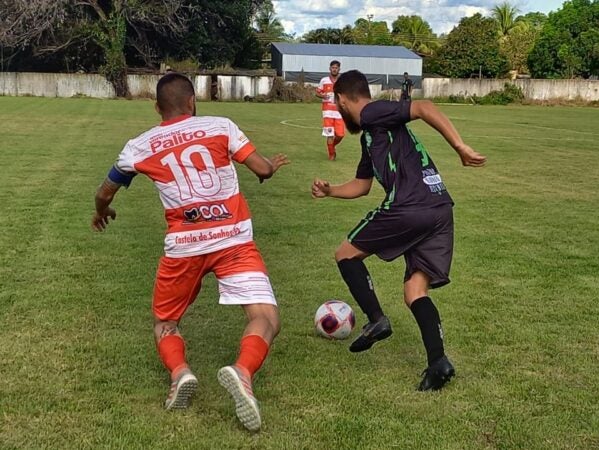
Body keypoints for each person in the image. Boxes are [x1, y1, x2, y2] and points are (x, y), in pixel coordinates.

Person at [91, 72, 289, 432]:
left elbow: (105, 191)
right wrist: (270, 168)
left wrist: (102, 211)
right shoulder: (221, 126)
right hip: (233, 239)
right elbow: (260, 167)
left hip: (184, 246)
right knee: (266, 317)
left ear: (157, 108)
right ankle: (243, 371)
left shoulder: (140, 145)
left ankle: (180, 374)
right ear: (193, 102)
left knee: (166, 322)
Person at [310, 70, 486, 391]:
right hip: (438, 208)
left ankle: (377, 319)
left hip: (411, 205)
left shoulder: (372, 111)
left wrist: (460, 146)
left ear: (342, 100)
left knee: (345, 254)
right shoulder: (370, 134)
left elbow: (424, 107)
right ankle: (438, 363)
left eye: (338, 105)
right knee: (414, 292)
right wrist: (331, 190)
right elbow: (362, 186)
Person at [316, 60, 345, 160]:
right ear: (330, 68)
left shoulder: (342, 81)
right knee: (330, 134)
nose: (334, 69)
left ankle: (332, 146)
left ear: (339, 69)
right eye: (333, 67)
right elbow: (317, 92)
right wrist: (322, 95)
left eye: (336, 68)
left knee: (340, 135)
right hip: (327, 112)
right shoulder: (324, 80)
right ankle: (331, 155)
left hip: (339, 112)